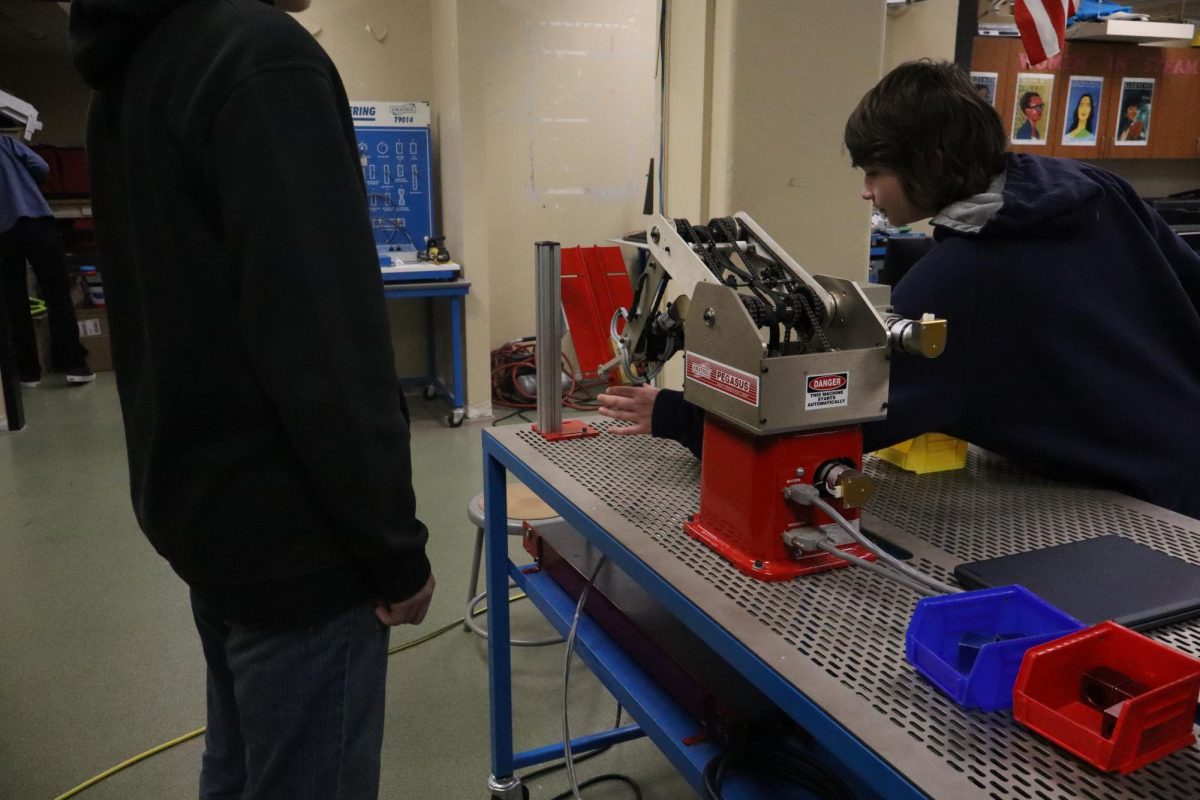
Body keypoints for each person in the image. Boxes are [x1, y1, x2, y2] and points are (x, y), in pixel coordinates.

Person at [69, 1, 435, 797]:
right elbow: (325, 342)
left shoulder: (135, 66)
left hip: (209, 522)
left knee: (236, 768)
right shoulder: (265, 59)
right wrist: (394, 551)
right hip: (302, 552)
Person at [600, 60, 1200, 521]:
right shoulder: (1093, 187)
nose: (867, 193)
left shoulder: (962, 279)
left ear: (931, 161)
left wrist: (678, 414)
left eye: (874, 173)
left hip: (1134, 510)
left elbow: (828, 422)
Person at [0, 132, 94, 386]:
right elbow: (41, 166)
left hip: (3, 233)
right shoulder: (7, 142)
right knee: (57, 294)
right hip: (36, 221)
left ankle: (27, 372)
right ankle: (74, 365)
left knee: (14, 302)